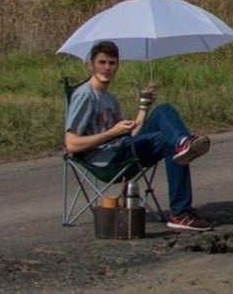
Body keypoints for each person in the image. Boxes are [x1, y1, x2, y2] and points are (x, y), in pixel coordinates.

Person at [64, 40, 214, 231]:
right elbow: (71, 145)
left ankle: (184, 143)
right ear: (91, 64)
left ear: (118, 65)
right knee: (169, 142)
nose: (107, 68)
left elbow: (131, 133)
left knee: (163, 111)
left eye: (112, 63)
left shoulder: (110, 98)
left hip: (122, 147)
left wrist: (144, 105)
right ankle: (180, 213)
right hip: (106, 160)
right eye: (102, 62)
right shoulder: (85, 95)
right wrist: (112, 133)